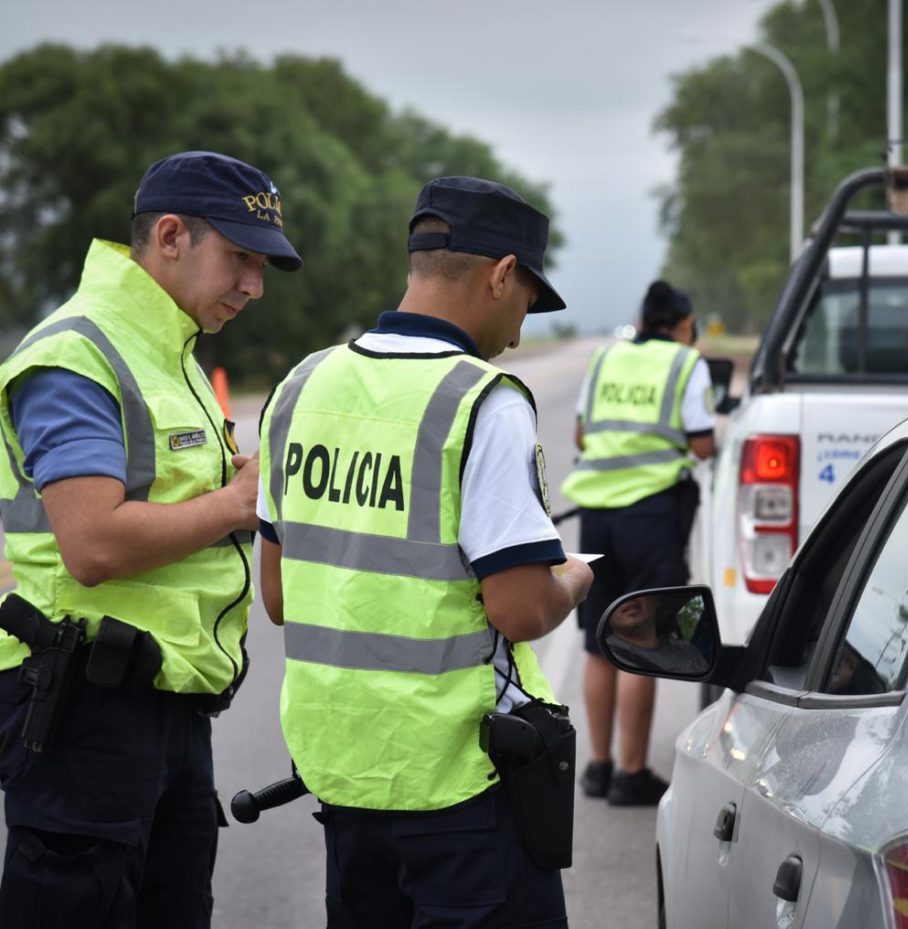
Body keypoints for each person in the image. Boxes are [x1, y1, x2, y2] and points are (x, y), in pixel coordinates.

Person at [257, 176, 594, 928]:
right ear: (502, 273)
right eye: (527, 303)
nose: (517, 332)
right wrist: (570, 581)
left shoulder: (300, 386)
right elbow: (517, 606)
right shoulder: (484, 401)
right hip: (461, 784)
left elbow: (279, 598)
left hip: (343, 777)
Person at [0, 150, 301, 927]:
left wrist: (224, 484)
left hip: (163, 710)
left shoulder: (167, 347)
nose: (253, 286)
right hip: (85, 714)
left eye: (262, 264)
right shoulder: (81, 353)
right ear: (170, 235)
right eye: (239, 258)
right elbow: (93, 543)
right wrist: (236, 504)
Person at [561, 280, 715, 806]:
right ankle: (631, 774)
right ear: (684, 323)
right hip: (650, 514)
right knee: (641, 637)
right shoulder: (685, 363)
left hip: (597, 515)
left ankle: (598, 767)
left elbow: (582, 436)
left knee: (599, 642)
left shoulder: (606, 360)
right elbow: (702, 443)